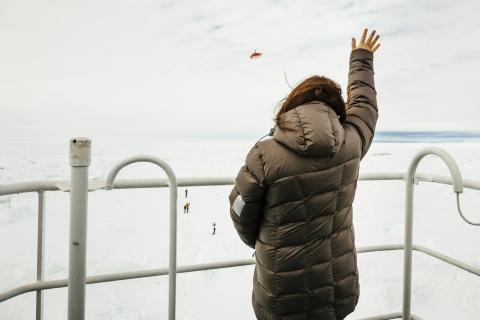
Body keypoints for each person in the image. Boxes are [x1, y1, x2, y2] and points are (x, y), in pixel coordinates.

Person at [228, 28, 380, 320]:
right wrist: (362, 59)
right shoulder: (351, 143)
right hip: (337, 287)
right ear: (338, 109)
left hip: (281, 292)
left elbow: (240, 210)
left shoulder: (264, 154)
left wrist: (265, 244)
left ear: (292, 103)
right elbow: (365, 106)